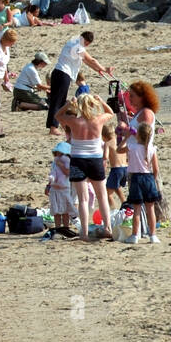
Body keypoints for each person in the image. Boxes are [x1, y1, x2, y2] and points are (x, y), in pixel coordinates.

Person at [55, 94, 117, 242]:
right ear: (91, 105)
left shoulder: (74, 121)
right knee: (101, 196)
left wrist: (69, 104)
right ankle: (107, 227)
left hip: (78, 160)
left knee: (83, 199)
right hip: (95, 160)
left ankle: (84, 232)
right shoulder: (98, 120)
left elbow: (58, 115)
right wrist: (101, 101)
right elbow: (111, 113)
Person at [46, 31, 112, 135]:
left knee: (59, 101)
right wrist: (104, 68)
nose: (86, 46)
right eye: (86, 44)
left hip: (59, 73)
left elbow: (86, 61)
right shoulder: (77, 45)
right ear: (84, 40)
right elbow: (91, 60)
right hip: (63, 74)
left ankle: (60, 126)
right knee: (58, 101)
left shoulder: (74, 40)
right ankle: (53, 128)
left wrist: (97, 70)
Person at [125, 118, 162, 243]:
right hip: (148, 177)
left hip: (136, 177)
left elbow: (119, 149)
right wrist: (154, 179)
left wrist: (126, 137)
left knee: (137, 209)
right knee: (150, 208)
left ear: (138, 135)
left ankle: (135, 235)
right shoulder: (151, 149)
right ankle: (153, 235)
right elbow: (156, 168)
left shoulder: (132, 146)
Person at [47, 142, 78, 239]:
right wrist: (48, 186)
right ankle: (57, 229)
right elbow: (53, 174)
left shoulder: (67, 161)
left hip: (64, 189)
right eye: (57, 153)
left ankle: (65, 228)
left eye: (60, 153)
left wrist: (60, 164)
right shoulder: (55, 162)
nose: (58, 155)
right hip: (55, 189)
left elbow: (68, 172)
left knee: (65, 210)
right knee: (56, 211)